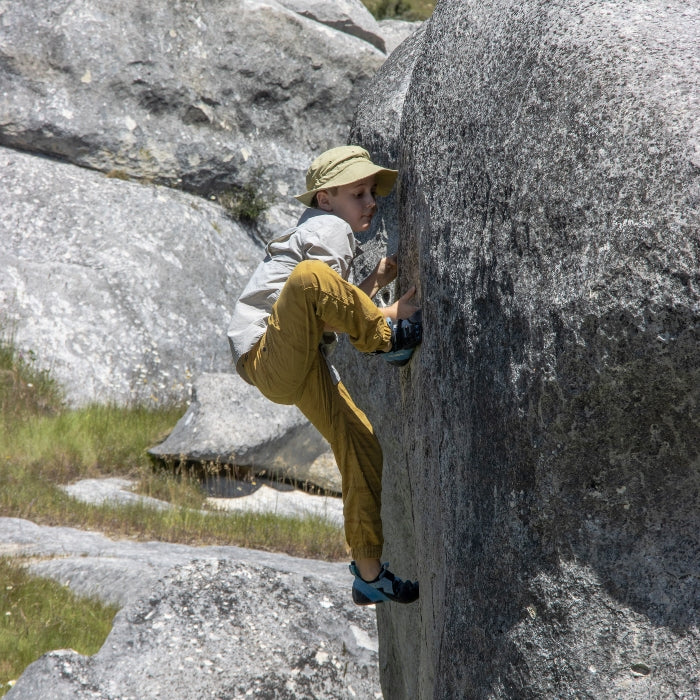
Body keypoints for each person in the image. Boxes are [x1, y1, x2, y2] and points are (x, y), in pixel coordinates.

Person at [227, 145, 421, 605]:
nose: (371, 201)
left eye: (372, 193)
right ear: (325, 199)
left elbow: (329, 312)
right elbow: (315, 293)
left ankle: (370, 573)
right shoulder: (328, 227)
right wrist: (387, 314)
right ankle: (389, 339)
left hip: (296, 363)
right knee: (311, 277)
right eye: (358, 193)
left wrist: (371, 286)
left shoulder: (330, 231)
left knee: (360, 441)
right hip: (266, 353)